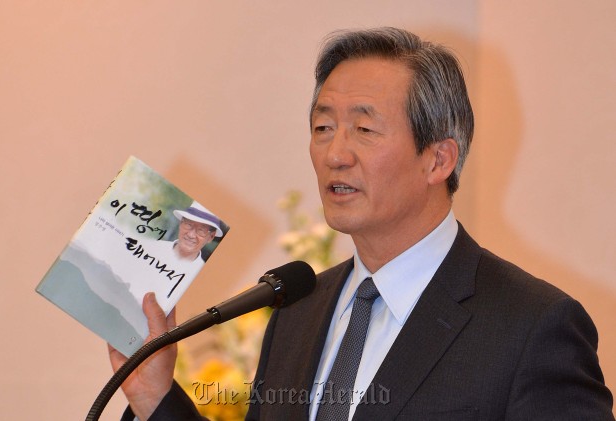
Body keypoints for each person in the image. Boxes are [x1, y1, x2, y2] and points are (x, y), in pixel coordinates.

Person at [110, 27, 614, 420]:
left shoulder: (532, 325)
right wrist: (155, 397)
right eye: (323, 127)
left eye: (365, 129)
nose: (335, 154)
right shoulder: (295, 310)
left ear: (439, 160)